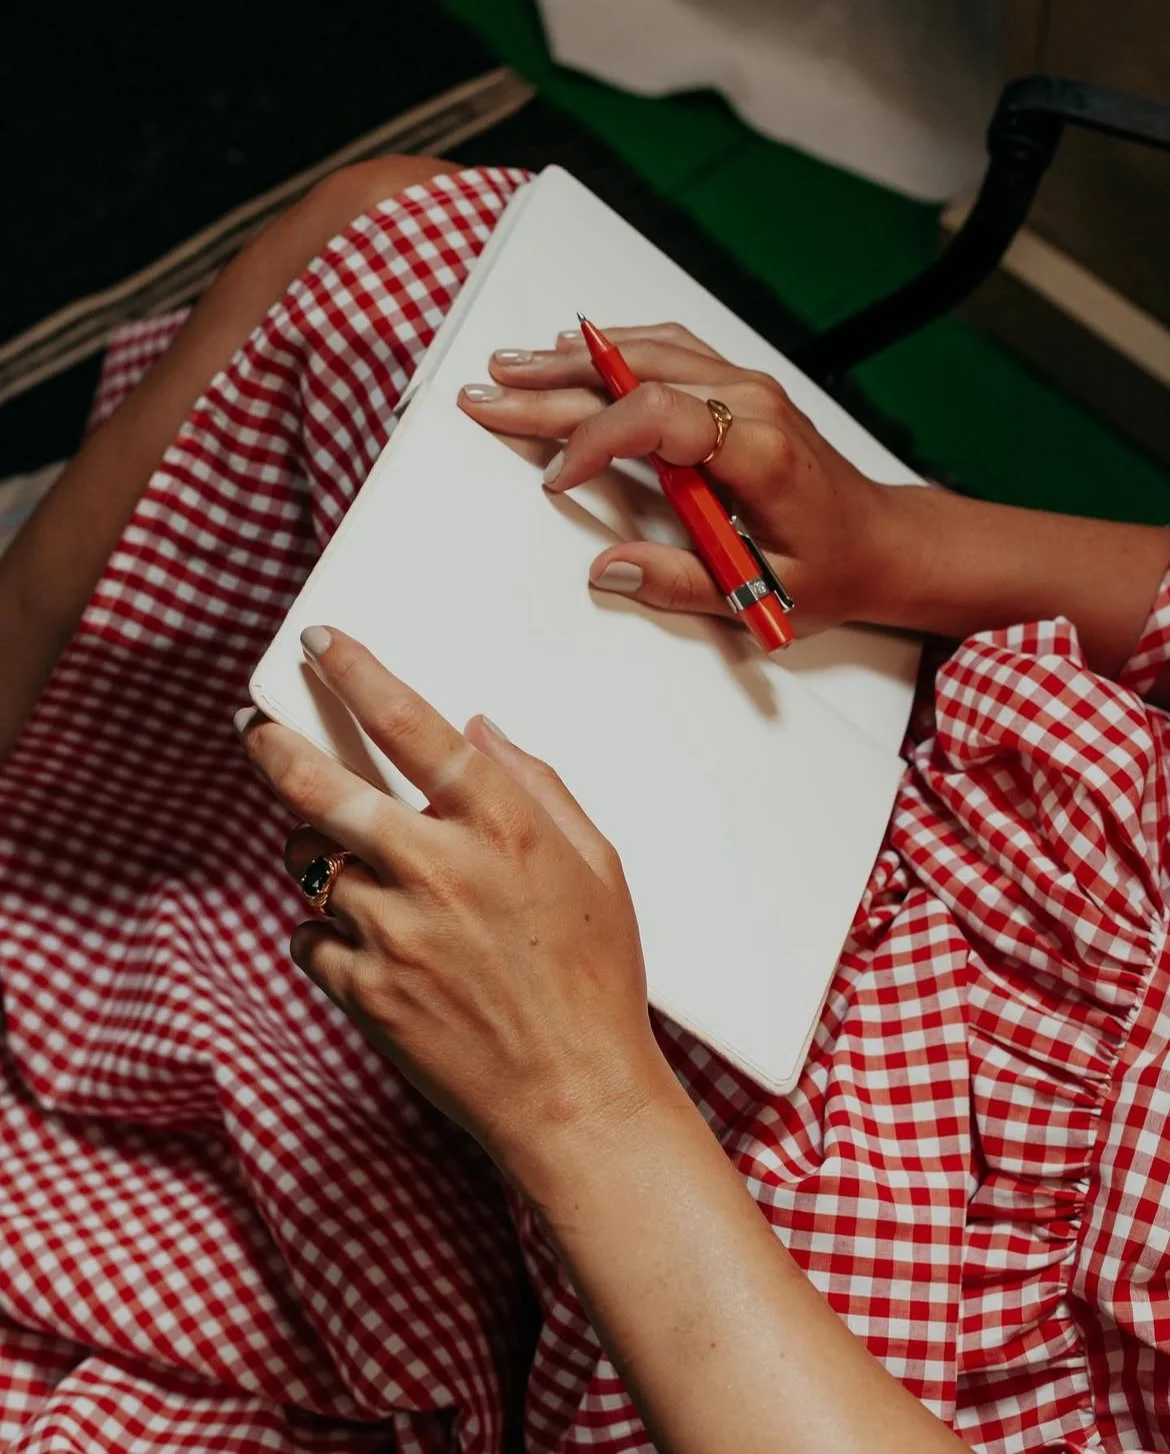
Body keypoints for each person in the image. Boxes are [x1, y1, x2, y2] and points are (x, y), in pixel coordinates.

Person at [1, 156, 1168, 1454]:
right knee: (393, 258)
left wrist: (579, 1099)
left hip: (758, 1333)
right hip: (897, 778)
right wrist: (892, 541)